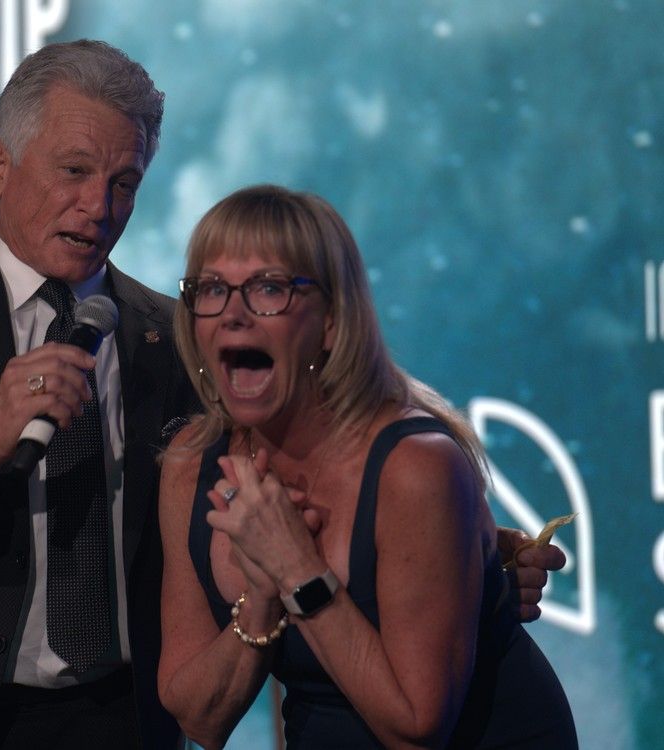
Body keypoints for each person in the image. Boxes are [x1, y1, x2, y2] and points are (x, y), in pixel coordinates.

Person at [0, 41, 565, 750]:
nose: (100, 206)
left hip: (112, 724)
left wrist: (467, 555)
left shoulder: (180, 337)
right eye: (75, 171)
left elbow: (309, 466)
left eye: (125, 181)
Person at [157, 185, 578, 749]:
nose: (233, 313)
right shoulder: (191, 466)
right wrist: (260, 595)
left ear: (331, 322)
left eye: (269, 289)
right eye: (211, 289)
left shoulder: (417, 465)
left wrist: (297, 570)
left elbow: (417, 727)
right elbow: (198, 719)